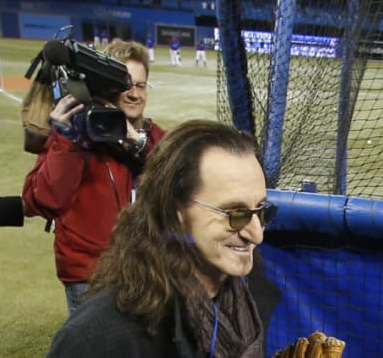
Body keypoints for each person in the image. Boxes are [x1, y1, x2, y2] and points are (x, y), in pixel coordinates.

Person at [47, 120, 276, 358]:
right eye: (235, 215)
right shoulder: (96, 340)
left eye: (260, 211)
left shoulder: (250, 294)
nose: (256, 234)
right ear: (175, 211)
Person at [22, 38, 166, 316]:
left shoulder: (155, 137)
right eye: (126, 84)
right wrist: (67, 141)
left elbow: (181, 181)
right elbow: (42, 201)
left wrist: (137, 142)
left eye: (140, 85)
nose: (134, 94)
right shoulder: (73, 136)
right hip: (89, 277)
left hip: (146, 273)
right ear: (106, 84)